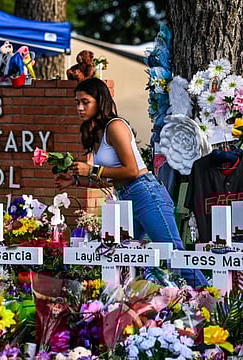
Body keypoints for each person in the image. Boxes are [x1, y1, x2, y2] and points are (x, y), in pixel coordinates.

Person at [55, 77, 208, 288]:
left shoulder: (115, 126)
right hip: (126, 197)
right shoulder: (97, 134)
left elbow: (132, 171)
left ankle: (215, 304)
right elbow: (112, 179)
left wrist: (91, 169)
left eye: (85, 102)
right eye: (77, 102)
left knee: (173, 256)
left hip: (146, 194)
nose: (79, 107)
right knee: (120, 256)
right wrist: (75, 181)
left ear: (100, 101)